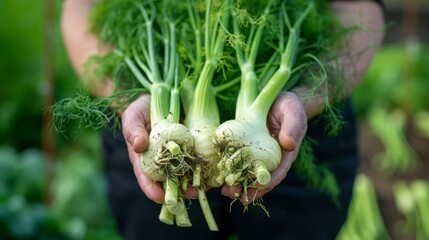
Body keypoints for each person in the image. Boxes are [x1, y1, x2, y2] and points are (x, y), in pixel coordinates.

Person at [61, 0, 385, 239]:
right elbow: (81, 8)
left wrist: (302, 96)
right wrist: (126, 98)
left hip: (296, 125)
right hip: (147, 121)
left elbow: (357, 9)